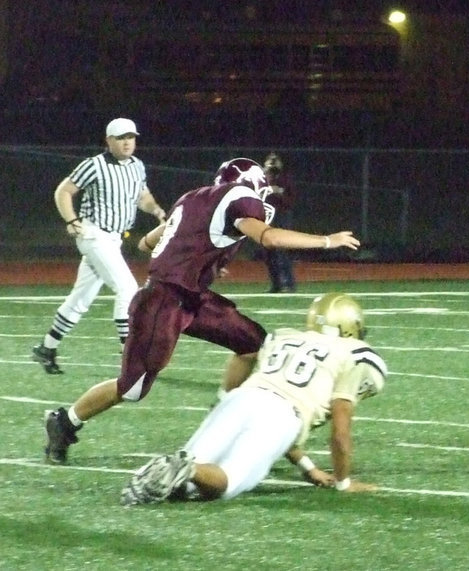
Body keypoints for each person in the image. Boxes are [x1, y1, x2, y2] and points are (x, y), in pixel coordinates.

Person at [43, 158, 360, 465]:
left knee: (253, 343)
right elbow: (269, 237)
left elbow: (147, 243)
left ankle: (222, 413)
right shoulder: (240, 197)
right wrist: (327, 241)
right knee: (132, 388)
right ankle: (65, 421)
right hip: (163, 301)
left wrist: (202, 255)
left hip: (190, 297)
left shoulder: (192, 199)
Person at [119, 292, 387, 505]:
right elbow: (340, 432)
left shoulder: (285, 337)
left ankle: (173, 470)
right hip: (282, 414)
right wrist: (343, 482)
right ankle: (186, 469)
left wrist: (308, 468)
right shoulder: (354, 354)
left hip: (239, 400)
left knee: (188, 487)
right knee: (228, 481)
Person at [32, 118, 167, 374]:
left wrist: (156, 210)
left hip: (113, 239)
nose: (127, 142)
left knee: (81, 298)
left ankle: (46, 348)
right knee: (127, 288)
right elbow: (63, 191)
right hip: (94, 234)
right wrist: (71, 220)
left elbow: (142, 196)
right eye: (121, 137)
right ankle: (129, 353)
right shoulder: (93, 165)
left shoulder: (137, 165)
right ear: (109, 141)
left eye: (131, 137)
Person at [261, 151, 298, 293]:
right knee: (268, 252)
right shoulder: (262, 179)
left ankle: (289, 283)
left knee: (282, 250)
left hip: (282, 216)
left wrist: (279, 193)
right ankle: (275, 284)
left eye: (274, 160)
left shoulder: (285, 179)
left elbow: (291, 201)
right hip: (267, 218)